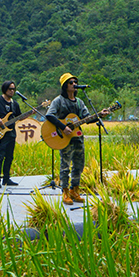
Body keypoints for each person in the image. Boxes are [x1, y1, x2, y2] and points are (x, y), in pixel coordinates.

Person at [45, 73, 110, 205]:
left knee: (79, 165)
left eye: (75, 82)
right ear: (65, 86)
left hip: (77, 137)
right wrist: (63, 127)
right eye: (71, 82)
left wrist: (99, 115)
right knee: (65, 166)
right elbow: (49, 115)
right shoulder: (58, 100)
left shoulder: (80, 102)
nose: (74, 84)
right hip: (64, 137)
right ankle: (65, 192)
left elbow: (87, 118)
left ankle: (74, 190)